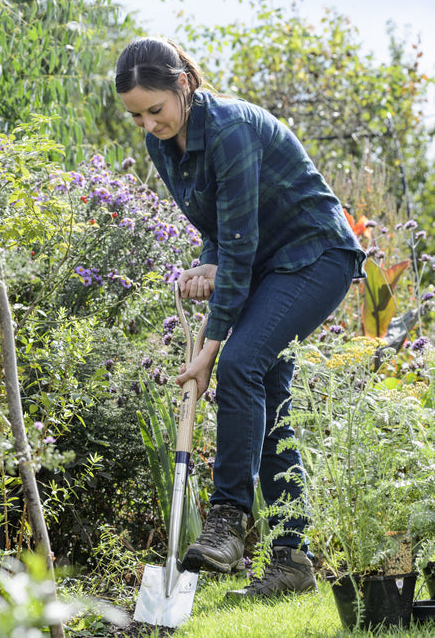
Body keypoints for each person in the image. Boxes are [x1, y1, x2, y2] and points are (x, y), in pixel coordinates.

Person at [115, 36, 365, 599]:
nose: (148, 124)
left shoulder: (228, 129)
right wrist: (207, 263)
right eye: (136, 116)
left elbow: (242, 239)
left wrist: (210, 347)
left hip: (314, 254)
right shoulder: (165, 145)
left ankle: (228, 519)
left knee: (242, 363)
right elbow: (216, 226)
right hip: (266, 266)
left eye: (155, 110)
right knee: (270, 400)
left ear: (183, 85)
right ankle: (291, 559)